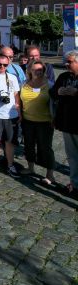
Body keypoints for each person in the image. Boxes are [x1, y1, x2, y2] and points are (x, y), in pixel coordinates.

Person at [19, 60, 55, 184]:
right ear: (30, 70)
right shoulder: (24, 84)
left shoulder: (49, 85)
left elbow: (54, 104)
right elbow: (19, 100)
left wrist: (53, 119)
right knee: (28, 145)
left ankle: (50, 175)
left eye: (41, 70)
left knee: (45, 148)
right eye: (35, 70)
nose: (38, 72)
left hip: (45, 122)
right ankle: (30, 167)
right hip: (27, 120)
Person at [51, 51, 78, 193]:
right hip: (68, 123)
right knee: (72, 157)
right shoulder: (63, 76)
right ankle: (75, 185)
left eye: (70, 62)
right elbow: (52, 93)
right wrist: (59, 91)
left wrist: (75, 92)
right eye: (66, 62)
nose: (66, 64)